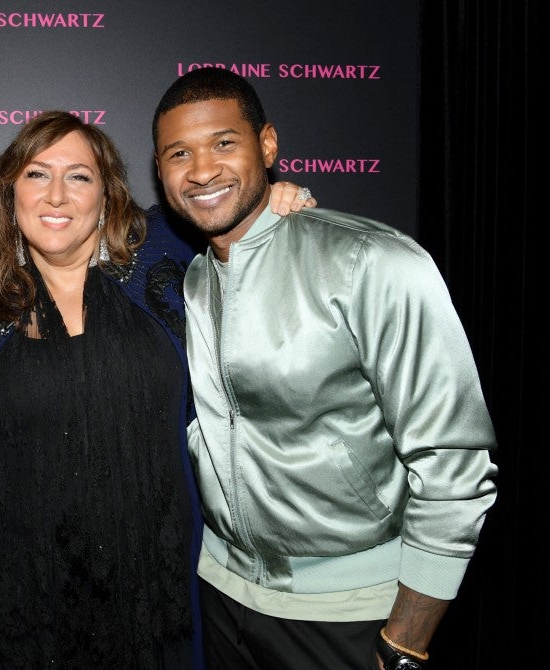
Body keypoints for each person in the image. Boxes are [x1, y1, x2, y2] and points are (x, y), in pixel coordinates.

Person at [0, 111, 315, 668]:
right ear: (10, 192)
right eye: (36, 174)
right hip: (24, 599)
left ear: (107, 196)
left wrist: (276, 201)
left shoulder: (164, 256)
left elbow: (231, 211)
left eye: (79, 176)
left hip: (160, 591)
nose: (56, 195)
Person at [151, 67, 498, 670]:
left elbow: (454, 463)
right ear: (160, 170)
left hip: (350, 610)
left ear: (267, 145)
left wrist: (407, 639)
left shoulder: (372, 261)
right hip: (220, 600)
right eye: (179, 153)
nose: (202, 170)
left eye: (223, 143)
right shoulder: (193, 277)